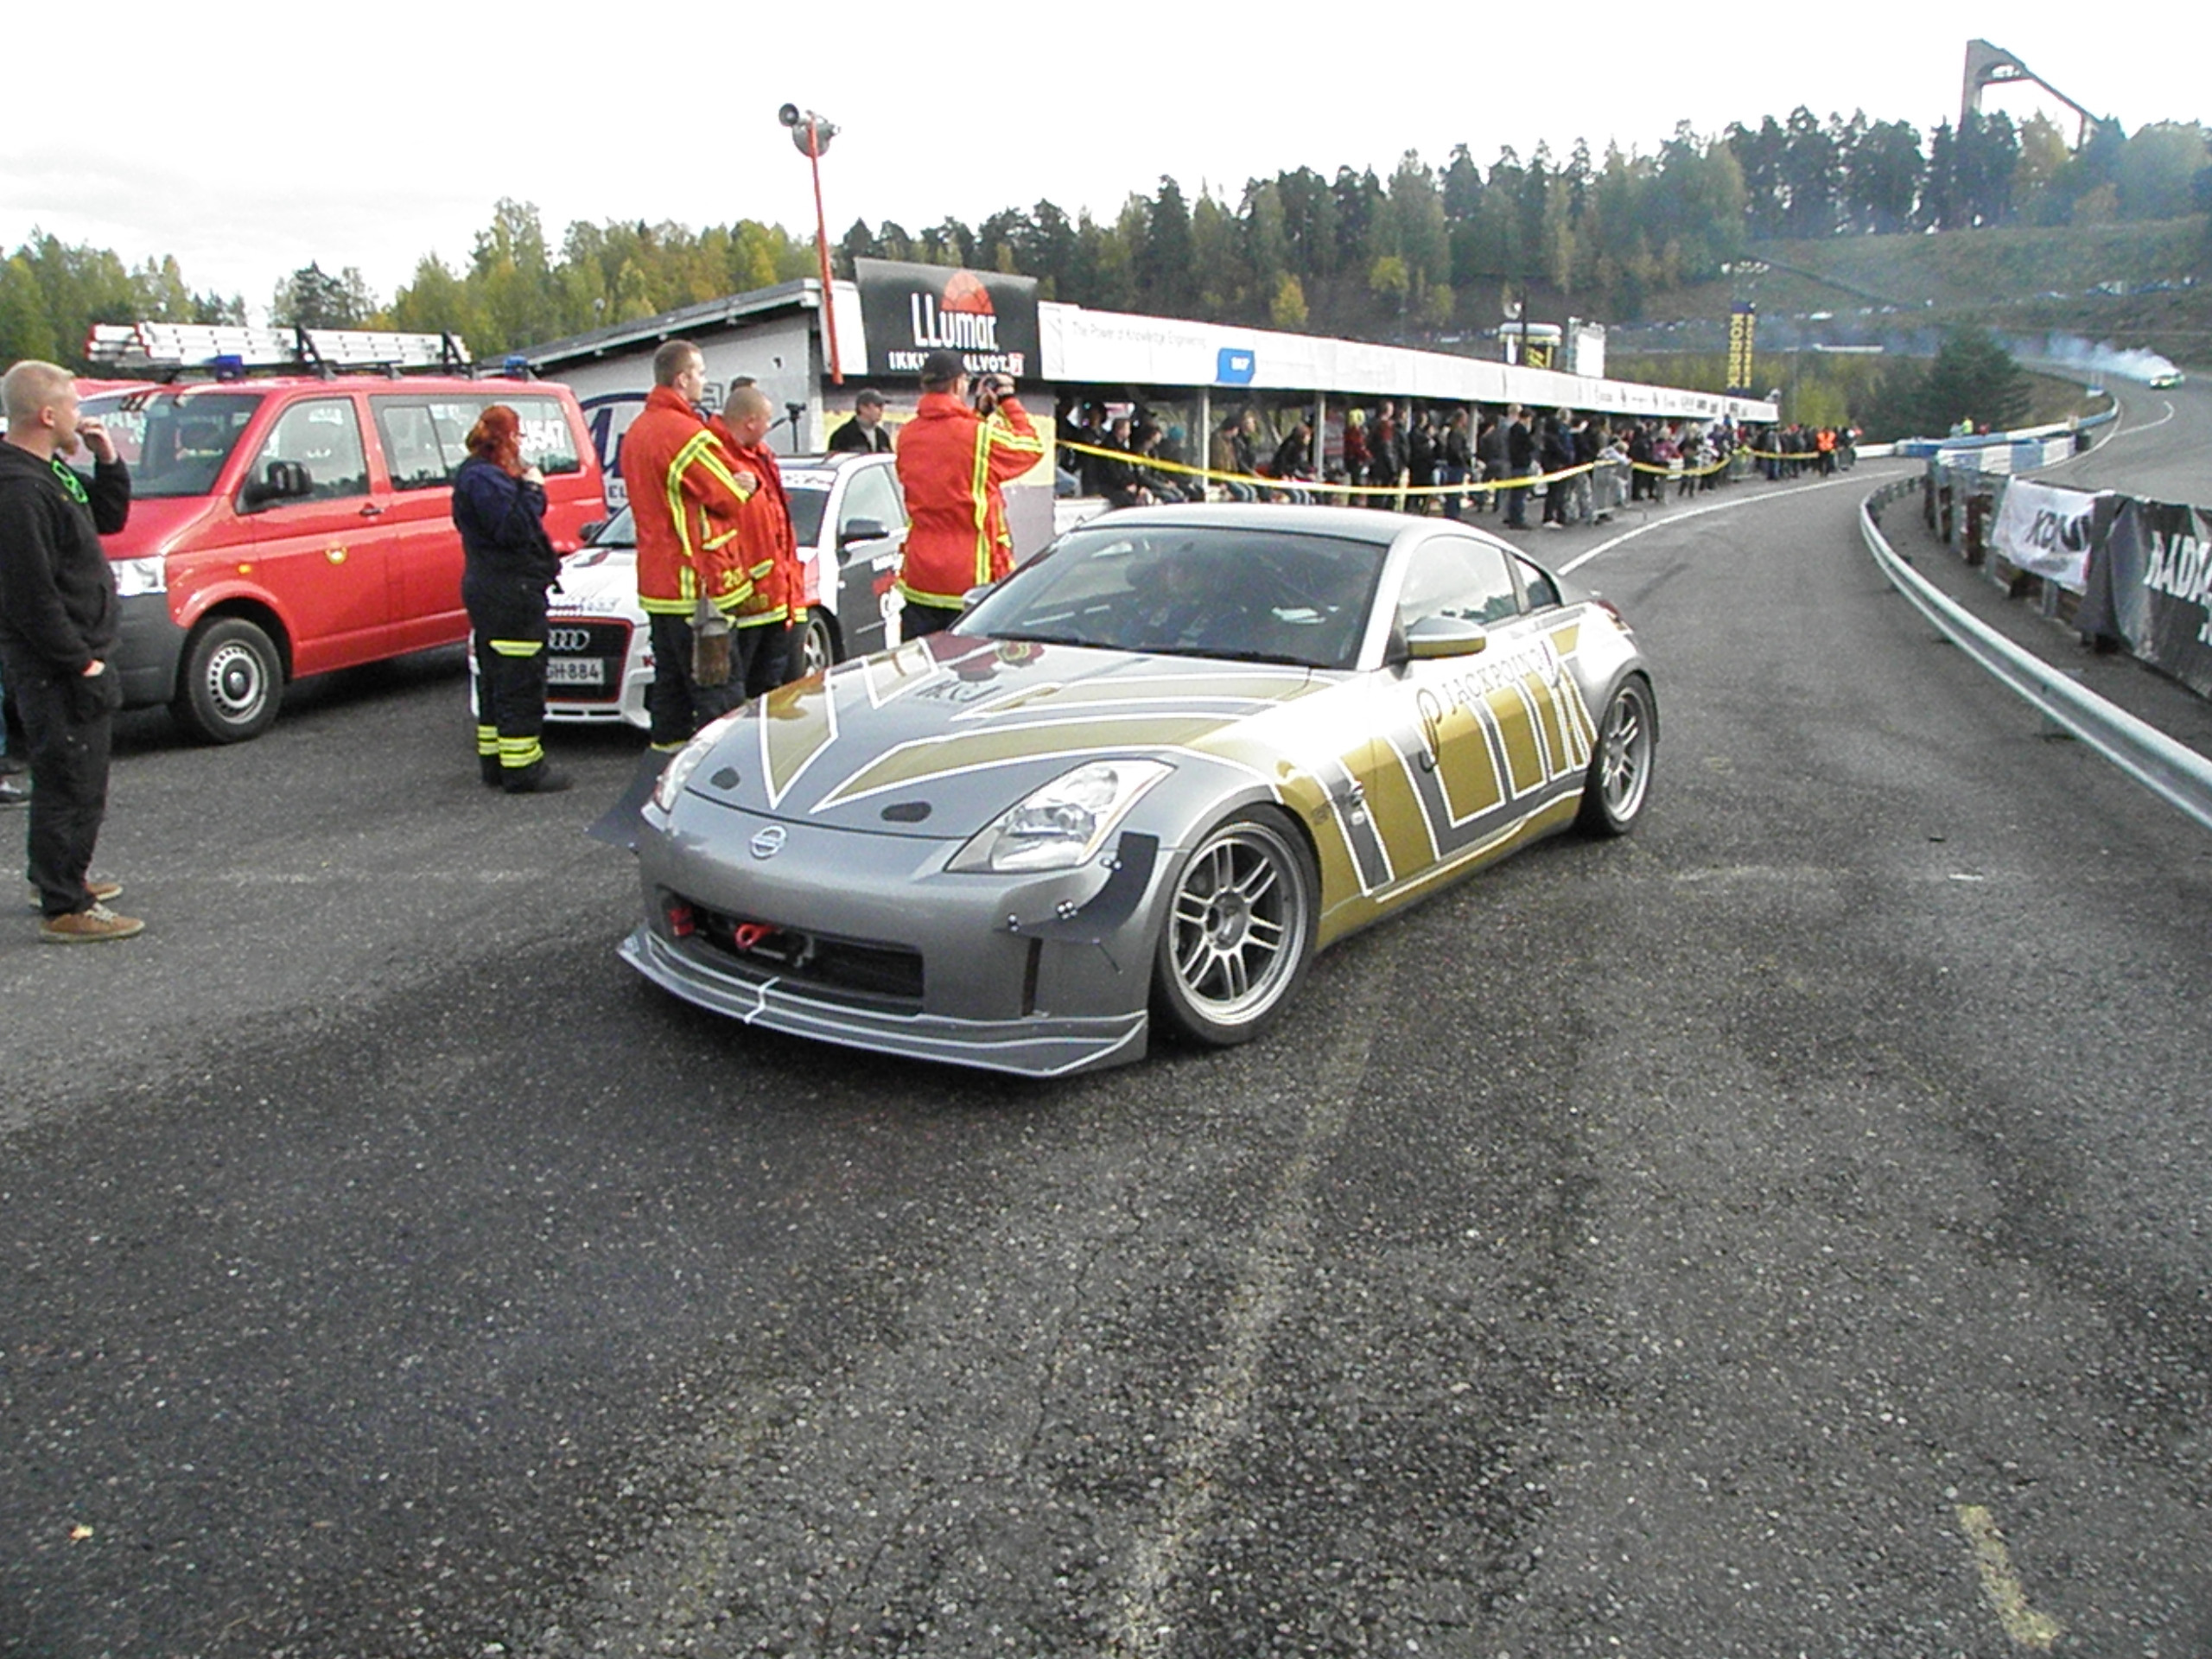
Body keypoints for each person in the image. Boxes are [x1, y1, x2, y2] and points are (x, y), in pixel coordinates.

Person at [0, 359, 139, 941]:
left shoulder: (52, 472)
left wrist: (107, 460)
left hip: (76, 652)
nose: (82, 418)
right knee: (71, 780)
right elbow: (28, 595)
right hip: (56, 665)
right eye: (76, 408)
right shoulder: (18, 491)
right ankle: (66, 904)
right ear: (47, 413)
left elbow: (107, 518)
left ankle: (57, 873)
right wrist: (79, 661)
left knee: (77, 776)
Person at [620, 340, 761, 750]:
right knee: (719, 693)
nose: (703, 380)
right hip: (697, 589)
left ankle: (666, 771)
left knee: (670, 693)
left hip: (659, 586)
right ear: (682, 379)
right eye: (698, 373)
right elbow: (726, 495)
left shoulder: (639, 431)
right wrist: (744, 485)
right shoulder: (683, 434)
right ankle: (725, 781)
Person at [454, 404, 569, 792]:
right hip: (509, 594)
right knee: (519, 680)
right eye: (516, 436)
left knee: (495, 680)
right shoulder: (485, 480)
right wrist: (534, 488)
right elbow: (515, 528)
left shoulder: (477, 476)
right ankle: (523, 769)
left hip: (493, 590)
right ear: (504, 437)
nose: (520, 445)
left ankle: (496, 763)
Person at [892, 349, 1045, 638]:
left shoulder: (907, 434)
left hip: (921, 575)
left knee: (924, 670)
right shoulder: (978, 436)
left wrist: (980, 415)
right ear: (958, 384)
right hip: (969, 577)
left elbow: (946, 457)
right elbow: (1031, 448)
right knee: (973, 671)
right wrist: (1008, 400)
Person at [715, 385, 804, 695]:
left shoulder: (760, 457)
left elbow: (778, 524)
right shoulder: (718, 457)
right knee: (741, 688)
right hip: (745, 598)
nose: (769, 427)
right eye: (766, 420)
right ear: (750, 421)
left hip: (775, 594)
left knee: (770, 686)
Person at [827, 389, 893, 454]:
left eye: (882, 407)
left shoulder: (882, 435)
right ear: (863, 408)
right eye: (878, 406)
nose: (882, 410)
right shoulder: (842, 436)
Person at [1503, 407, 1535, 529]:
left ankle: (1512, 517)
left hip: (1515, 464)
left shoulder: (1513, 429)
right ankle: (1518, 519)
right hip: (1521, 464)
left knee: (1515, 494)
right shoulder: (1522, 431)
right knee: (1519, 495)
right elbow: (1530, 446)